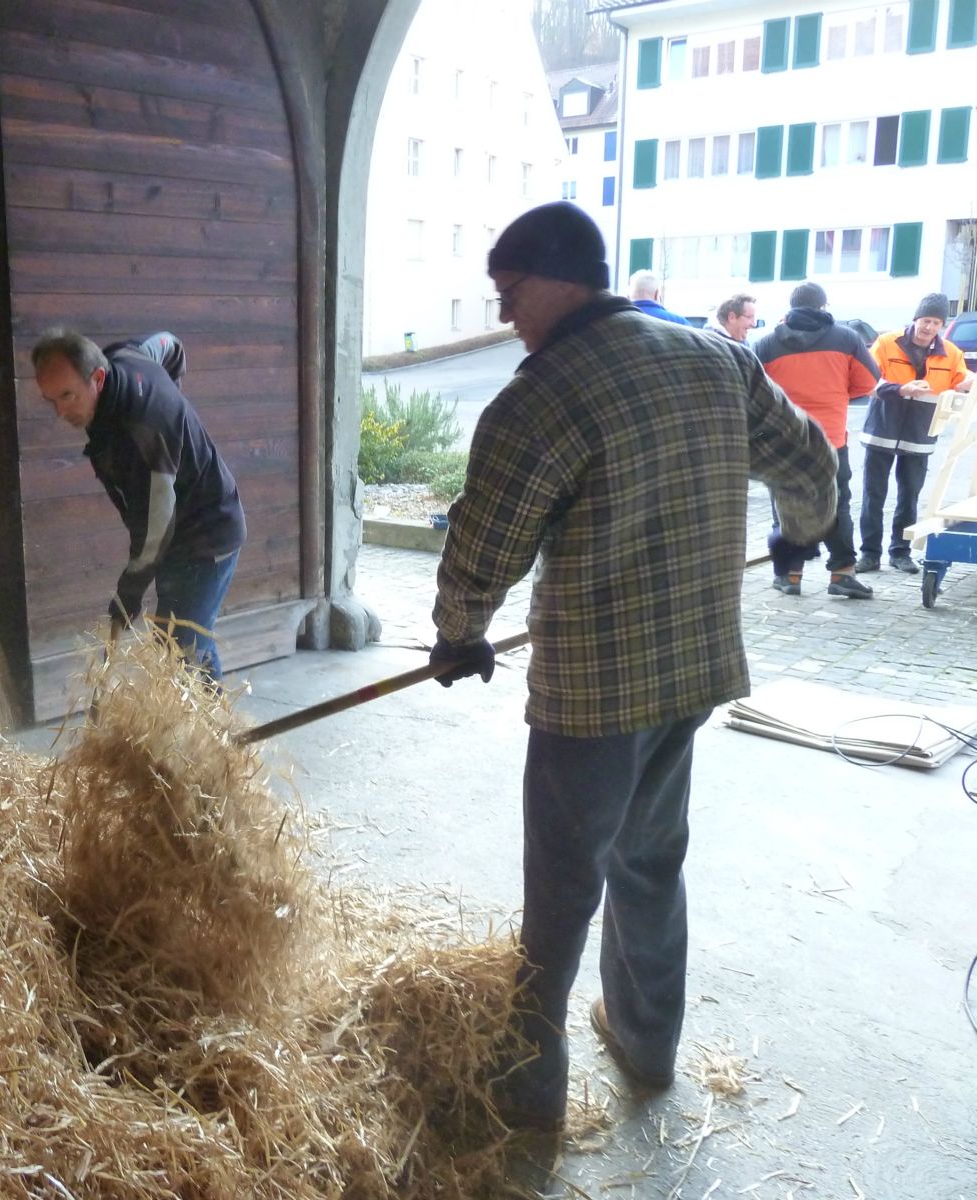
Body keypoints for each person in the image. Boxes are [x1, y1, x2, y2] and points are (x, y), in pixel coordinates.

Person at [429, 201, 838, 1134]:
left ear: (561, 277)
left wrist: (458, 635)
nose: (506, 314)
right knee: (650, 859)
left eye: (510, 292)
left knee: (561, 893)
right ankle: (648, 1045)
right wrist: (800, 535)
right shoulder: (718, 358)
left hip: (593, 697)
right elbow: (810, 463)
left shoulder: (541, 396)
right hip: (691, 669)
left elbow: (483, 550)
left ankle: (529, 1096)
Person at [31, 328, 245, 679]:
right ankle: (218, 714)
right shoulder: (126, 356)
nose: (60, 411)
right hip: (178, 536)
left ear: (98, 378)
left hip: (206, 534)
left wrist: (129, 591)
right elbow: (168, 343)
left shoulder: (142, 432)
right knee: (188, 640)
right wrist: (173, 396)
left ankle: (210, 716)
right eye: (50, 400)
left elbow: (156, 526)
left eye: (68, 395)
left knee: (178, 652)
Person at [754, 281, 879, 598]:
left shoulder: (767, 344)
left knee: (786, 505)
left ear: (791, 307)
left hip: (784, 441)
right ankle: (842, 574)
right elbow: (869, 381)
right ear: (823, 306)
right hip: (830, 438)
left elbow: (755, 392)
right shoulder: (846, 338)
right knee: (836, 505)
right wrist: (836, 392)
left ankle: (789, 576)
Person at [858, 293, 972, 573]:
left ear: (941, 325)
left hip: (920, 435)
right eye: (925, 320)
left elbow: (963, 379)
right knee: (873, 495)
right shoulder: (887, 343)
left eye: (936, 322)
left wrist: (969, 382)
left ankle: (900, 552)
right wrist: (901, 389)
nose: (929, 327)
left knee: (909, 496)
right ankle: (869, 554)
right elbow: (867, 381)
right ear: (915, 319)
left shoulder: (952, 353)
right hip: (882, 429)